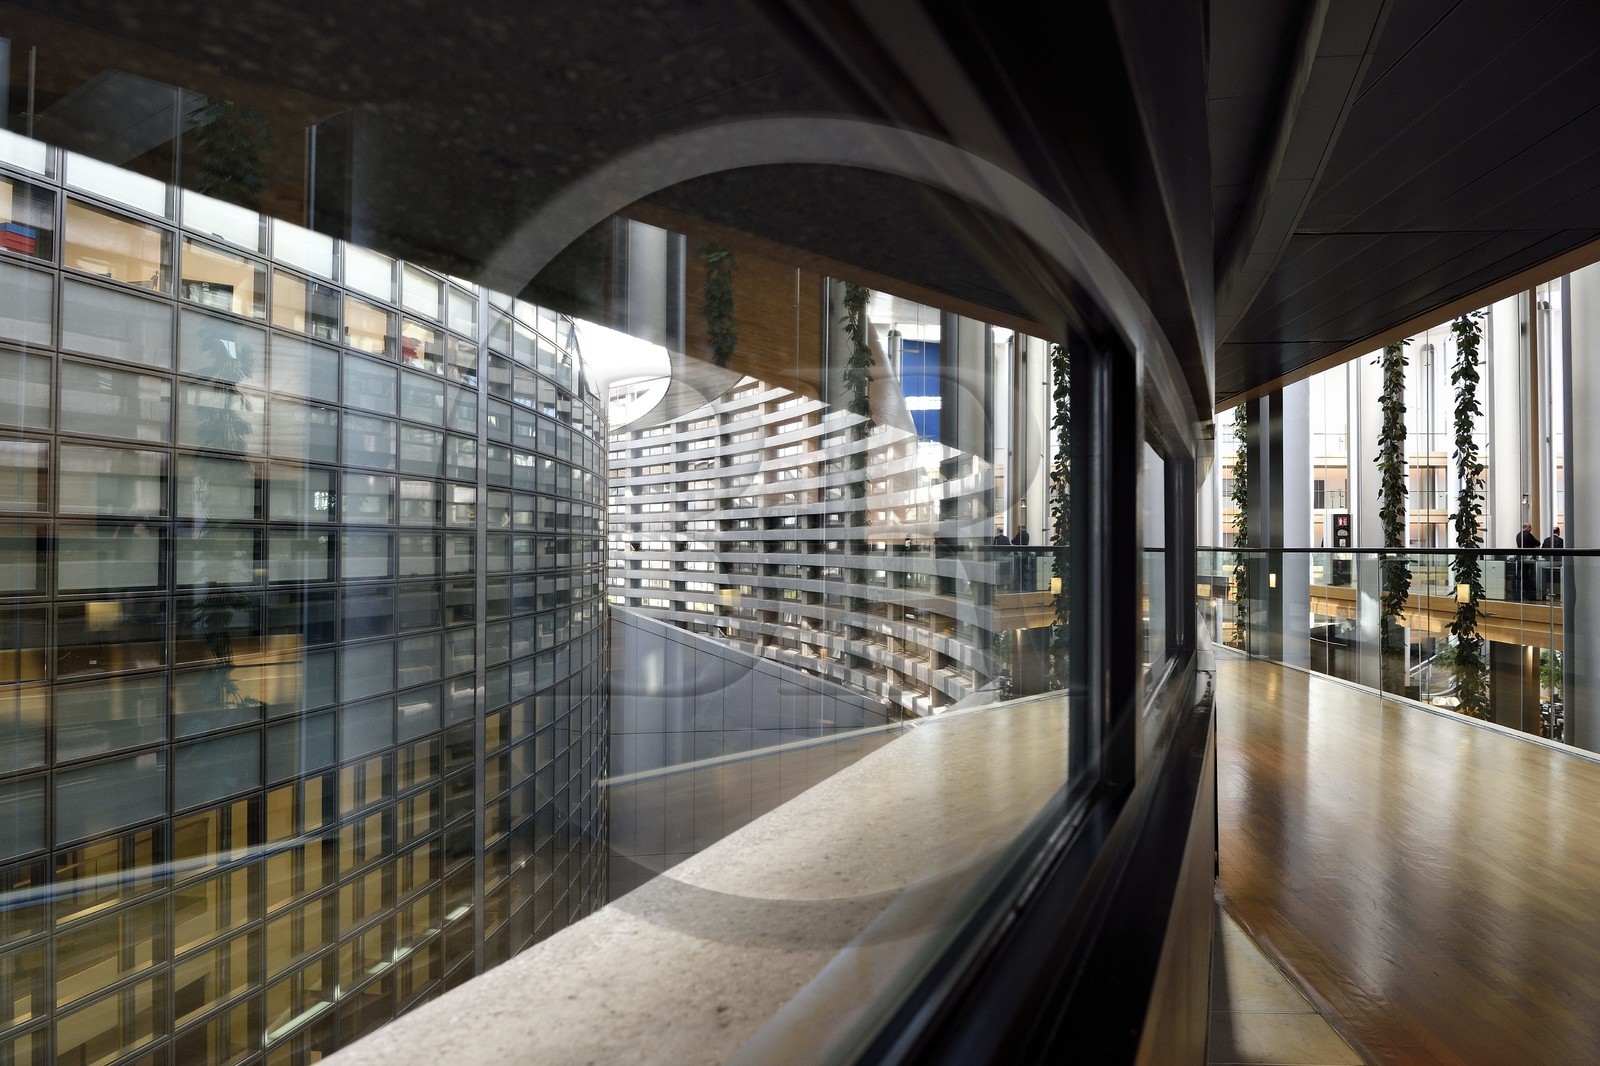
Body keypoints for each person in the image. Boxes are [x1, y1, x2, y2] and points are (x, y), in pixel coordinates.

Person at [1542, 526, 1565, 602]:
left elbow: (1542, 551)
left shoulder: (1546, 540)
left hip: (1546, 562)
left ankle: (1544, 591)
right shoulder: (1560, 540)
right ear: (1558, 532)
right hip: (1557, 562)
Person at [1517, 522, 1538, 600]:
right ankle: (1530, 595)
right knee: (1529, 578)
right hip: (1529, 559)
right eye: (1530, 527)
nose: (1531, 529)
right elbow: (1537, 543)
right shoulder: (1528, 535)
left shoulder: (1518, 535)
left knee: (1522, 577)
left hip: (1521, 558)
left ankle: (1523, 595)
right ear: (1525, 527)